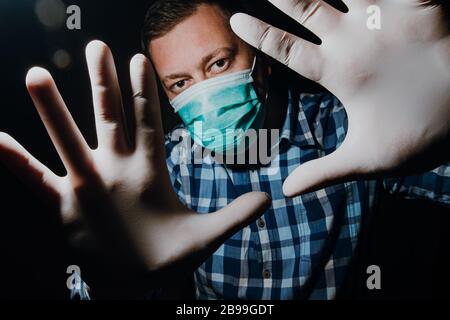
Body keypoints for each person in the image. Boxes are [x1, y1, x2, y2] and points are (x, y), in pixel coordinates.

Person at [0, 0, 448, 299]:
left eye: (218, 63)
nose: (206, 93)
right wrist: (108, 281)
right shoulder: (164, 169)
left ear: (264, 58)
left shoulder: (348, 126)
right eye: (180, 83)